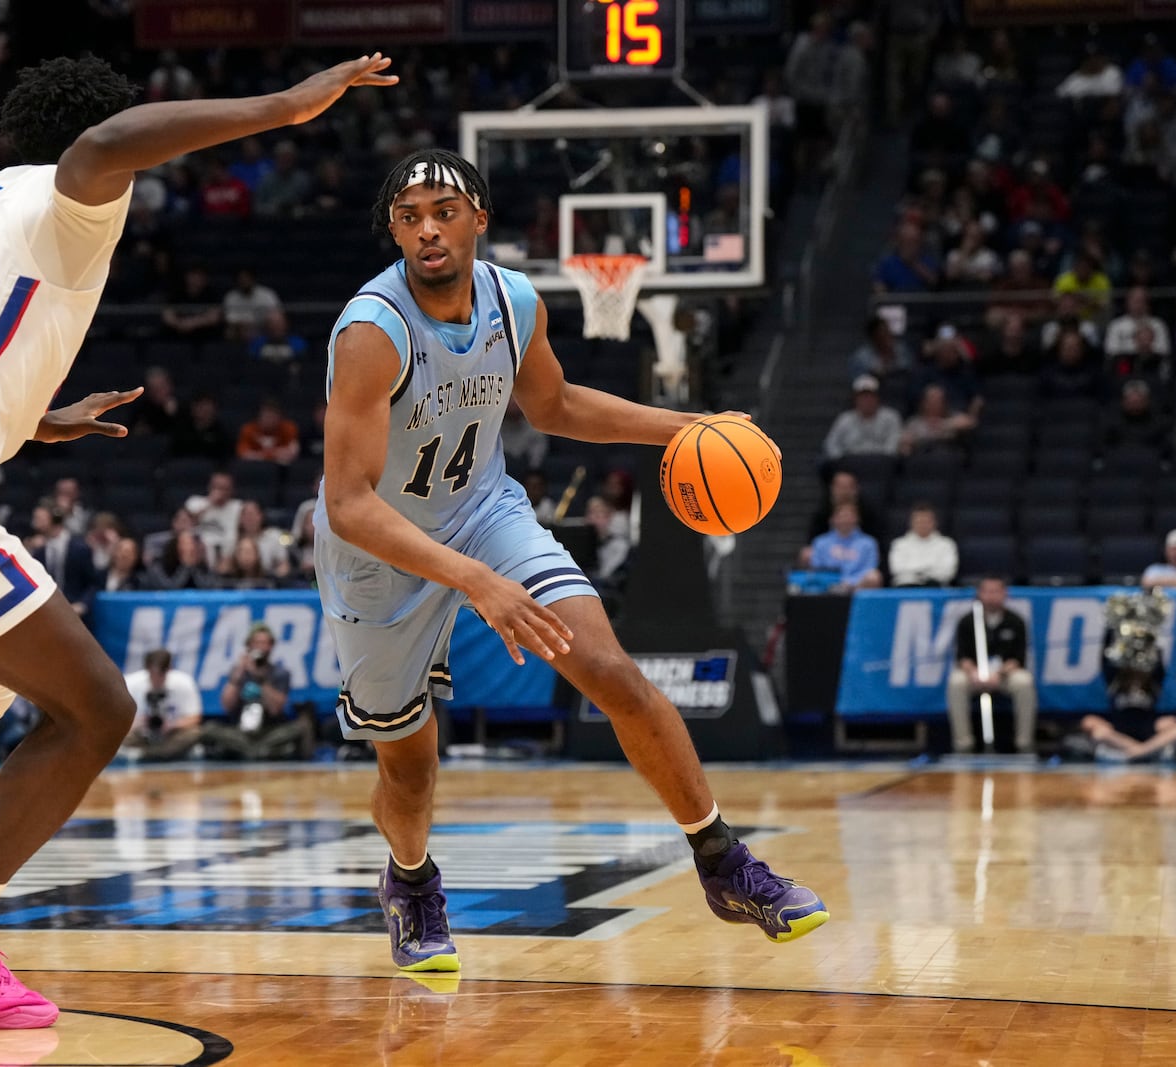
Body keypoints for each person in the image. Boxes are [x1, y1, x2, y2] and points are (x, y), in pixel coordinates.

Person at [0, 52, 398, 1029]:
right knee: (97, 708)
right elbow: (105, 145)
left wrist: (30, 417)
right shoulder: (77, 196)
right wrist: (284, 105)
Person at [313, 150, 827, 974]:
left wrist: (688, 425)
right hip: (381, 549)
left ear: (480, 216)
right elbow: (348, 504)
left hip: (485, 511)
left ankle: (724, 860)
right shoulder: (373, 331)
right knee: (409, 770)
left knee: (611, 671)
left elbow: (553, 405)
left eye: (443, 209)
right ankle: (410, 881)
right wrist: (475, 582)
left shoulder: (515, 300)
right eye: (409, 216)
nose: (426, 228)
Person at [945, 577, 1036, 754]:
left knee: (1024, 682)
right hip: (974, 674)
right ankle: (963, 744)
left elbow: (1018, 659)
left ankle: (1024, 744)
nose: (991, 596)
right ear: (979, 594)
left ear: (1005, 594)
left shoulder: (1015, 621)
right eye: (987, 591)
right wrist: (975, 673)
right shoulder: (967, 621)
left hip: (1004, 674)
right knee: (956, 682)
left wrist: (998, 674)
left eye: (996, 591)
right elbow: (962, 657)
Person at [209, 622, 312, 759]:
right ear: (248, 646)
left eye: (265, 643)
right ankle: (258, 751)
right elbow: (227, 706)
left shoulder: (280, 673)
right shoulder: (238, 672)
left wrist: (260, 679)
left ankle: (253, 751)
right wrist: (236, 678)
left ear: (271, 646)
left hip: (269, 730)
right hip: (240, 731)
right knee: (210, 728)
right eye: (257, 643)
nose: (261, 647)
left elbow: (276, 708)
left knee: (302, 726)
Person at [121, 649, 204, 762]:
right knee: (119, 736)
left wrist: (172, 725)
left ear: (169, 670)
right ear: (147, 669)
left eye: (161, 674)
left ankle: (143, 754)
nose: (156, 679)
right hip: (141, 735)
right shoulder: (131, 683)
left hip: (171, 735)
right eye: (152, 673)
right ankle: (165, 753)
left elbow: (195, 717)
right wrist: (137, 723)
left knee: (195, 733)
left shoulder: (184, 682)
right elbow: (118, 721)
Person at [800, 502, 882, 591]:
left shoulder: (868, 543)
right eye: (841, 516)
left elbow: (869, 568)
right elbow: (817, 568)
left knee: (874, 576)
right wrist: (834, 582)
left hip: (857, 586)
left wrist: (849, 583)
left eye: (849, 516)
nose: (845, 520)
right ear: (833, 519)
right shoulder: (820, 542)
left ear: (857, 519)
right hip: (827, 586)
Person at [887, 504, 958, 587]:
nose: (923, 525)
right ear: (912, 523)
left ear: (934, 522)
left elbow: (948, 572)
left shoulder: (947, 544)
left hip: (937, 587)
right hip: (906, 587)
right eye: (919, 521)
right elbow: (896, 569)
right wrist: (929, 569)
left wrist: (915, 571)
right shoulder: (899, 544)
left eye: (926, 521)